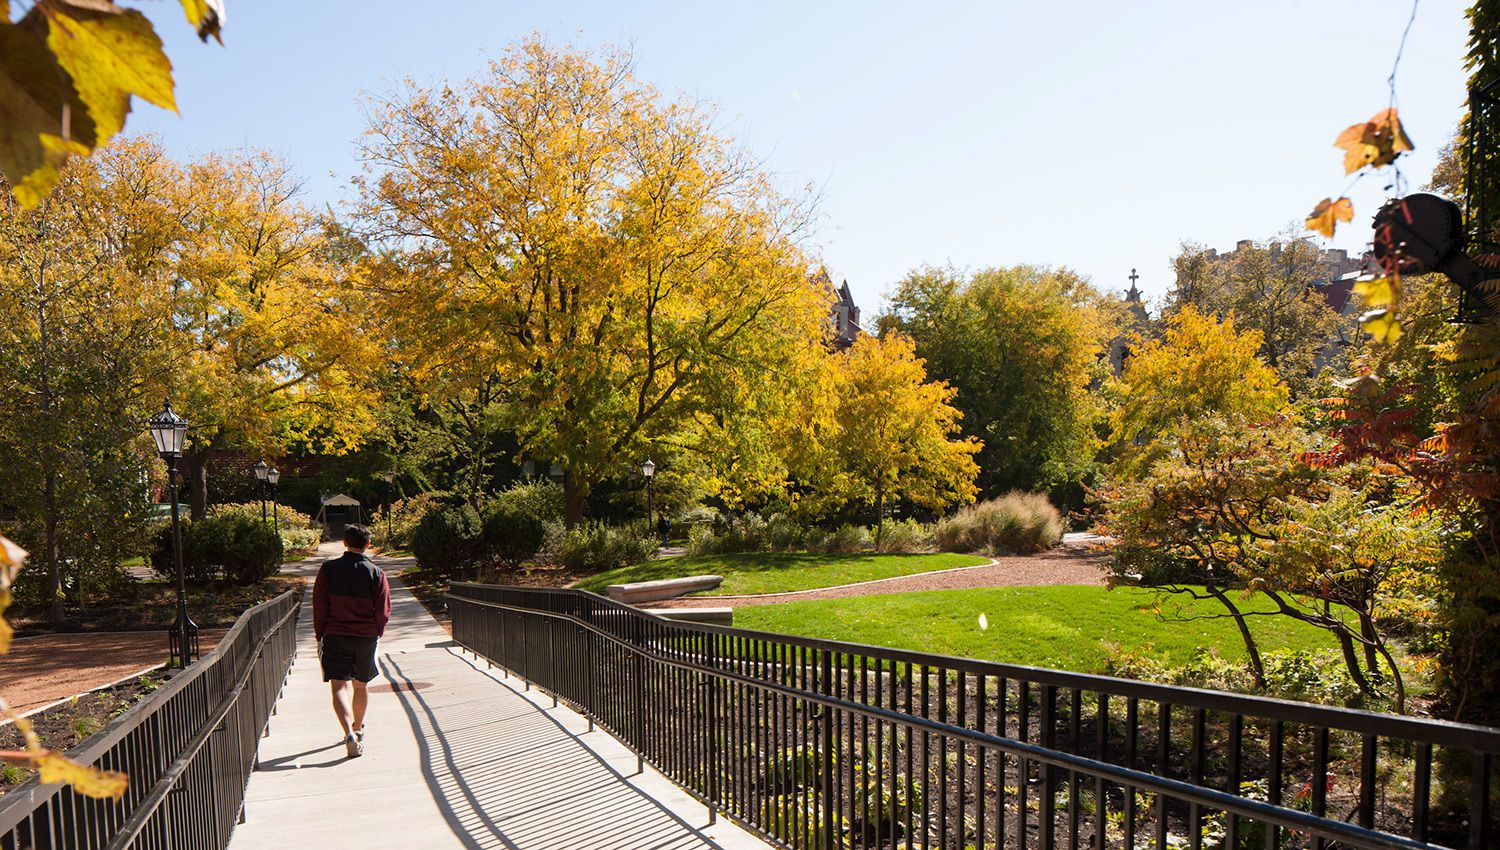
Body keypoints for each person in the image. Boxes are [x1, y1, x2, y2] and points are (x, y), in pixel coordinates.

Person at [312, 524, 389, 758]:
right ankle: (358, 726)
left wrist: (320, 633)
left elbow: (320, 606)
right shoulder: (376, 573)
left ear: (344, 543)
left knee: (338, 687)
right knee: (360, 685)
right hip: (365, 636)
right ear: (367, 544)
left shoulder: (328, 570)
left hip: (335, 634)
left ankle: (348, 732)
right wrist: (377, 631)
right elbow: (383, 610)